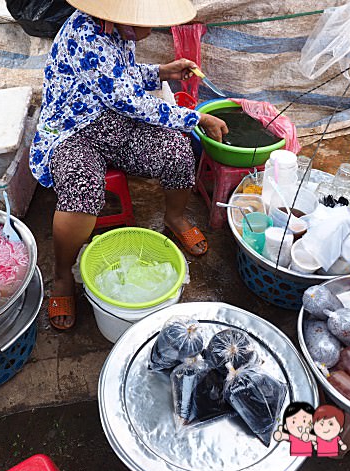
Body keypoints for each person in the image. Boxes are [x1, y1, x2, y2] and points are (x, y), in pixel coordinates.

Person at [29, 0, 228, 330]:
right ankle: (63, 276)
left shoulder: (115, 29)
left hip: (113, 120)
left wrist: (161, 72)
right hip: (72, 128)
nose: (149, 29)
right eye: (143, 22)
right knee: (81, 191)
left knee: (177, 151)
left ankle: (175, 217)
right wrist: (197, 117)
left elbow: (118, 77)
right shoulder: (86, 36)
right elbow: (129, 99)